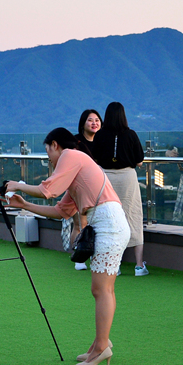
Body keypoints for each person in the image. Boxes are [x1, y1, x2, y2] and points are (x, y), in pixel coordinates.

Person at [3, 128, 129, 365]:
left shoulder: (70, 155)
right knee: (104, 289)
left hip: (108, 223)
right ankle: (99, 343)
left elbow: (48, 190)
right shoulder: (77, 165)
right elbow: (61, 211)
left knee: (101, 289)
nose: (49, 159)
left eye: (48, 152)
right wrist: (25, 205)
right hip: (108, 222)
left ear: (55, 145)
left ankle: (101, 347)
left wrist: (17, 185)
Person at [92, 102, 147, 276]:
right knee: (133, 216)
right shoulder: (130, 134)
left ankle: (114, 264)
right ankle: (139, 265)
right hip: (127, 177)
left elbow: (94, 158)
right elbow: (139, 160)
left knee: (108, 218)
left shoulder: (100, 135)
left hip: (105, 178)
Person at [69, 109, 102, 270]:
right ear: (83, 123)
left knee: (96, 224)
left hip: (99, 187)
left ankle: (94, 255)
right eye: (90, 120)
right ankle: (78, 258)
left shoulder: (103, 141)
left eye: (97, 120)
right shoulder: (75, 142)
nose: (94, 123)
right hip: (79, 186)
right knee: (79, 223)